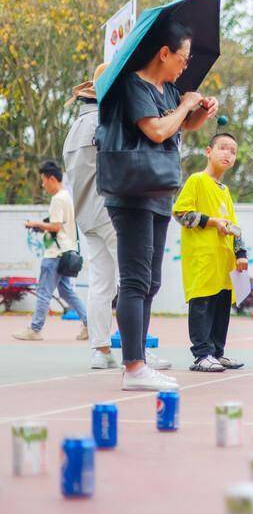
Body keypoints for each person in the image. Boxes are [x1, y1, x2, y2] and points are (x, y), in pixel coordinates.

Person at [102, 19, 219, 391]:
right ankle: (133, 366)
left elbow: (182, 126)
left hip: (158, 191)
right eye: (182, 58)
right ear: (163, 52)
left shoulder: (168, 89)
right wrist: (186, 104)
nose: (185, 66)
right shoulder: (132, 84)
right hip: (133, 192)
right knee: (135, 280)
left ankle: (139, 356)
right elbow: (155, 130)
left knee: (150, 281)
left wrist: (200, 110)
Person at [63, 65, 173, 371]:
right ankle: (136, 351)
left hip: (86, 214)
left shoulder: (73, 130)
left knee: (101, 283)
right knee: (135, 281)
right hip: (114, 210)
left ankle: (101, 350)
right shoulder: (107, 121)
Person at [172, 133, 248, 372]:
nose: (228, 154)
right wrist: (211, 221)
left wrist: (240, 253)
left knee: (221, 306)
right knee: (202, 303)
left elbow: (234, 225)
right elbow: (181, 213)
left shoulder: (224, 190)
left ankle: (216, 352)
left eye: (233, 151)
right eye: (223, 148)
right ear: (208, 151)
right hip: (202, 258)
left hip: (223, 261)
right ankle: (201, 354)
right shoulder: (197, 180)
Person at [15, 161, 89, 342]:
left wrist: (36, 224)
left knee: (43, 291)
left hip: (54, 254)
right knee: (66, 292)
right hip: (65, 251)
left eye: (43, 181)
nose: (43, 185)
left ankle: (35, 329)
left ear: (52, 179)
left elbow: (56, 226)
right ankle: (90, 324)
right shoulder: (67, 196)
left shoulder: (58, 199)